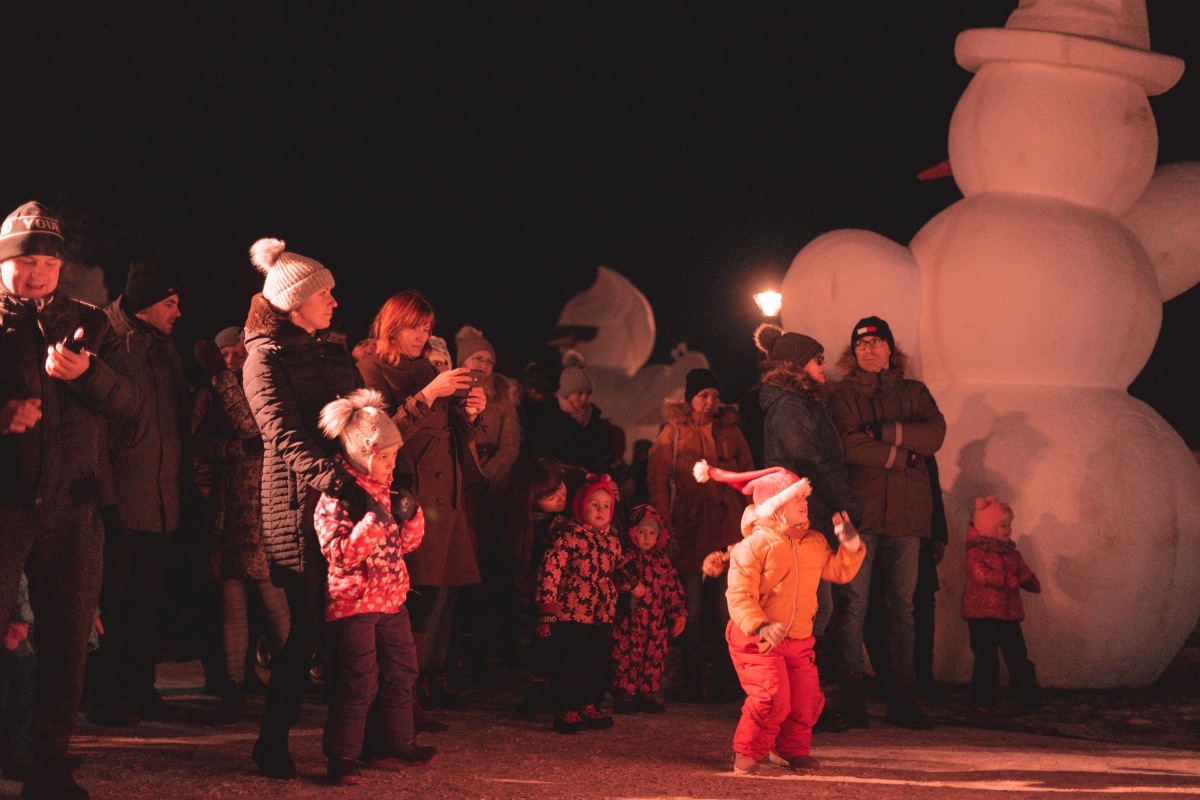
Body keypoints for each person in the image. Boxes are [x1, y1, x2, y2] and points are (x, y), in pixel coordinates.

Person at [0, 200, 141, 800]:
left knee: (66, 641)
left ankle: (48, 765)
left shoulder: (91, 322)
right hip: (5, 507)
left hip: (76, 507)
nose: (37, 273)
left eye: (49, 262)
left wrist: (87, 375)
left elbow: (130, 407)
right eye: (25, 261)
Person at [242, 237, 363, 779]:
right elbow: (284, 435)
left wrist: (378, 473)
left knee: (348, 632)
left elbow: (362, 421)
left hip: (346, 503)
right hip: (296, 508)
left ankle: (346, 749)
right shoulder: (263, 359)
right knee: (308, 631)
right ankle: (271, 742)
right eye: (324, 293)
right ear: (294, 301)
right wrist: (338, 480)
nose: (334, 301)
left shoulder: (332, 353)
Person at [356, 291, 483, 718]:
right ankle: (398, 704)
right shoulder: (372, 368)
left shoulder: (428, 366)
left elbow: (448, 434)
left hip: (443, 500)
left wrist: (471, 414)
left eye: (427, 328)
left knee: (432, 598)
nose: (422, 336)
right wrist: (428, 394)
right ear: (393, 327)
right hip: (410, 501)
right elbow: (379, 436)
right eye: (415, 327)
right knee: (410, 601)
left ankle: (411, 696)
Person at [695, 463, 864, 775]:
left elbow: (839, 570)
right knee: (773, 697)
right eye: (796, 498)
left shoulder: (813, 541)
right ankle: (746, 752)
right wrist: (759, 625)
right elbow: (739, 595)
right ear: (774, 506)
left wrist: (851, 545)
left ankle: (789, 750)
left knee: (805, 699)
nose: (805, 503)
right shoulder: (753, 547)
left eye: (804, 497)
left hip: (798, 639)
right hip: (756, 640)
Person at [827, 316, 946, 730]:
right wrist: (902, 454)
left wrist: (882, 430)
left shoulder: (914, 392)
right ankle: (852, 697)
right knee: (852, 606)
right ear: (853, 351)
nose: (870, 350)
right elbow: (847, 444)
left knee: (902, 608)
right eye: (862, 345)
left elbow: (934, 435)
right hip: (861, 516)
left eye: (877, 343)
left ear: (890, 350)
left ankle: (903, 698)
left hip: (907, 519)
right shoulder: (841, 395)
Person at [314, 389, 436, 786]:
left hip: (392, 601)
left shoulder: (387, 490)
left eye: (394, 457)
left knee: (402, 671)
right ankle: (343, 756)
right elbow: (340, 555)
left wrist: (412, 515)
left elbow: (407, 545)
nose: (391, 465)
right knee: (358, 680)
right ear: (363, 454)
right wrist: (372, 522)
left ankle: (395, 742)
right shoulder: (339, 498)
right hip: (354, 605)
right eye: (384, 458)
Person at [89, 262, 190, 724]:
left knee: (148, 601)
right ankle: (104, 694)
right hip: (119, 498)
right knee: (111, 600)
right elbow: (100, 426)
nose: (179, 312)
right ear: (146, 305)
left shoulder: (165, 350)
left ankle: (141, 689)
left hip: (161, 499)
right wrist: (105, 497)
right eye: (170, 303)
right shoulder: (112, 342)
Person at [754, 323, 863, 731]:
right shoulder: (790, 406)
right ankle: (786, 702)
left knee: (814, 611)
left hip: (808, 518)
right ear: (800, 365)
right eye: (818, 359)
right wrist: (846, 500)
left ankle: (800, 704)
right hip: (799, 520)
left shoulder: (799, 402)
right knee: (805, 613)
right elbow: (812, 460)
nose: (824, 366)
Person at [191, 326, 289, 725]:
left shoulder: (260, 387)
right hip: (228, 508)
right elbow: (200, 446)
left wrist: (220, 378)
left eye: (238, 353)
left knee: (274, 600)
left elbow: (255, 430)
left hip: (263, 507)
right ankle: (235, 690)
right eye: (225, 355)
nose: (233, 361)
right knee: (232, 604)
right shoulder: (208, 396)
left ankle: (289, 686)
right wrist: (233, 453)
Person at [646, 367, 753, 702]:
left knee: (727, 611)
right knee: (690, 611)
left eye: (714, 396)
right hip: (689, 533)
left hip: (727, 533)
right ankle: (693, 681)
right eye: (703, 395)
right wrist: (666, 526)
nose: (709, 402)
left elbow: (748, 478)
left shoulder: (731, 432)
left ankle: (725, 682)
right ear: (689, 398)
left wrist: (753, 524)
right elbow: (658, 483)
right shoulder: (673, 433)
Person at [453, 326, 520, 683]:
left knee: (495, 572)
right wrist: (471, 475)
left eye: (490, 359)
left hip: (495, 489)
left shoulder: (501, 394)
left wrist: (488, 475)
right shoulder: (452, 389)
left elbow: (510, 443)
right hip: (464, 484)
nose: (485, 364)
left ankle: (491, 652)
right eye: (478, 357)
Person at [535, 473, 624, 734]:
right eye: (594, 504)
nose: (601, 510)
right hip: (572, 612)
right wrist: (547, 607)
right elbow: (550, 571)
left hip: (602, 613)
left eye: (606, 506)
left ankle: (589, 703)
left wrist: (632, 582)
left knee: (596, 661)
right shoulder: (569, 537)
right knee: (572, 661)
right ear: (581, 506)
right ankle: (567, 707)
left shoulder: (613, 542)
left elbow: (621, 570)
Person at [499, 457, 571, 714]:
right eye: (550, 497)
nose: (560, 497)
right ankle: (542, 686)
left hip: (576, 596)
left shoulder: (573, 507)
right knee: (544, 642)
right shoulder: (530, 527)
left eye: (559, 488)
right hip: (544, 599)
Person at [962, 495, 1042, 713]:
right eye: (1002, 525)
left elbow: (1021, 570)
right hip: (982, 615)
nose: (1008, 529)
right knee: (986, 659)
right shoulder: (976, 551)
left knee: (1018, 657)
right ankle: (984, 700)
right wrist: (1005, 578)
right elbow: (979, 574)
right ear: (988, 527)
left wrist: (1029, 580)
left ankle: (1028, 697)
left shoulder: (1011, 552)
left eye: (1009, 524)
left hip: (1008, 613)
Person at [610, 504, 686, 714]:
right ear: (633, 533)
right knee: (625, 656)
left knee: (654, 657)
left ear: (659, 535)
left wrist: (678, 613)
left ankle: (647, 694)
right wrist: (627, 585)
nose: (646, 537)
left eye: (651, 533)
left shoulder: (663, 562)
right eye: (641, 532)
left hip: (656, 622)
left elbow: (673, 589)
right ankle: (624, 695)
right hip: (628, 621)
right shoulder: (625, 558)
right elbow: (616, 581)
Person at [531, 355, 619, 478]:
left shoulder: (595, 422)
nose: (584, 398)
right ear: (566, 394)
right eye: (579, 393)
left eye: (587, 393)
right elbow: (543, 462)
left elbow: (607, 456)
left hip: (592, 488)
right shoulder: (550, 423)